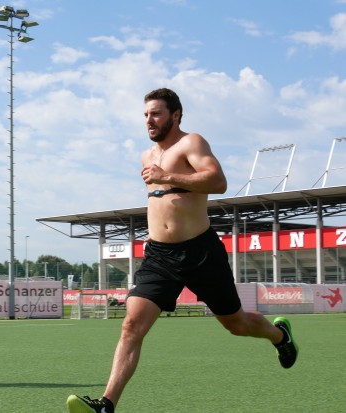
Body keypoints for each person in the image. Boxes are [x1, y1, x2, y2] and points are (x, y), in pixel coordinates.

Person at [66, 88, 299, 413]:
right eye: (146, 114)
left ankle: (279, 336)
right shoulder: (146, 156)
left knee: (236, 324)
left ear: (175, 115)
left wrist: (168, 175)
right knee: (132, 324)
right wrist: (156, 230)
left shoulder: (192, 143)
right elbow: (163, 200)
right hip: (160, 256)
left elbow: (218, 182)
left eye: (156, 113)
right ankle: (106, 405)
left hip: (200, 252)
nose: (149, 120)